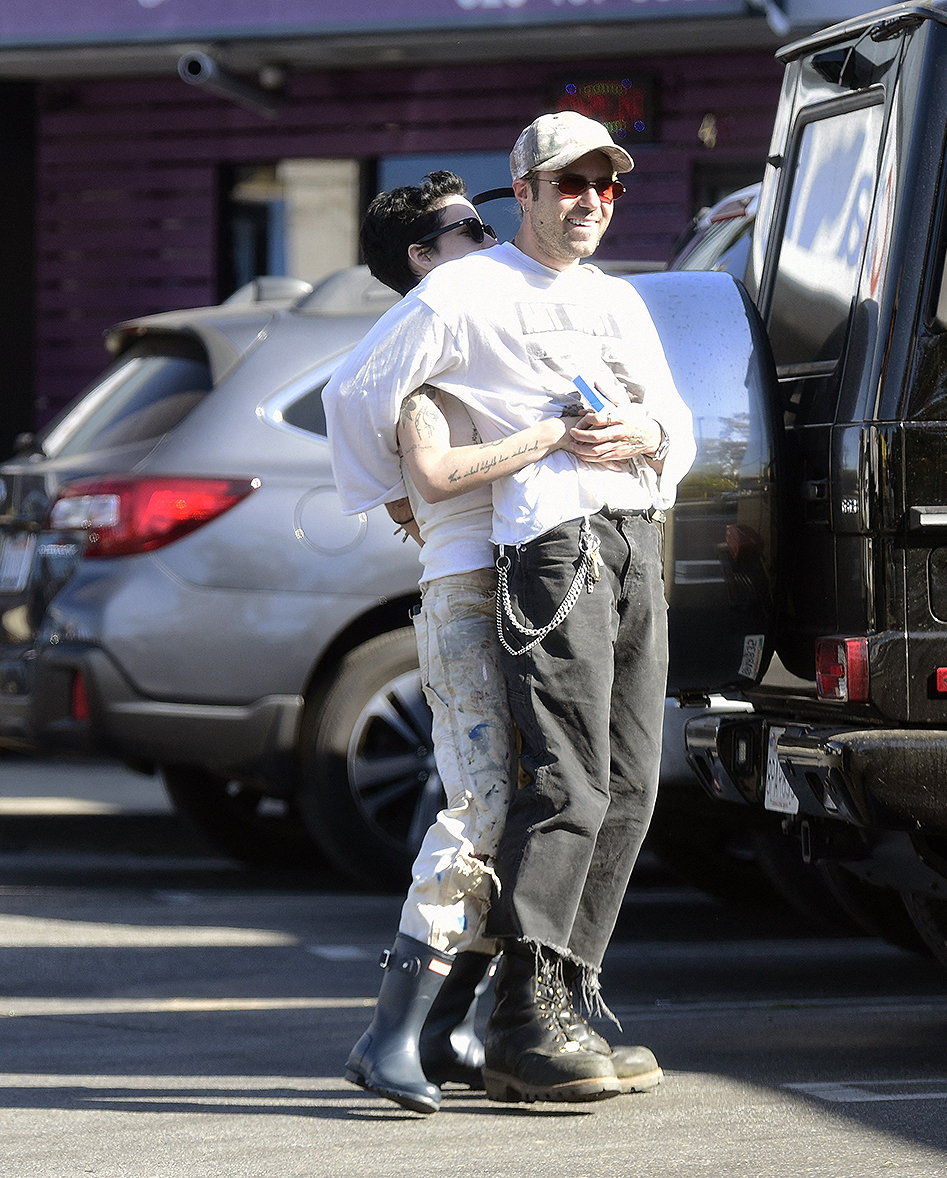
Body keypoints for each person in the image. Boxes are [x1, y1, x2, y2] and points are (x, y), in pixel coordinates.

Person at [327, 111, 695, 1106]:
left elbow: (678, 420)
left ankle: (537, 1005)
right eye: (566, 182)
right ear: (523, 189)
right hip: (530, 553)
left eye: (604, 184)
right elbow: (352, 395)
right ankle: (478, 1021)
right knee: (517, 793)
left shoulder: (614, 297)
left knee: (623, 783)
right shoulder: (458, 293)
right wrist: (403, 500)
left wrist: (647, 429)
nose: (588, 199)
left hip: (623, 536)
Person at [324, 170, 599, 1116]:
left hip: (513, 579)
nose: (487, 238)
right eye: (467, 228)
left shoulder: (476, 341)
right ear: (421, 257)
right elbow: (416, 455)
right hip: (469, 592)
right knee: (478, 802)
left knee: (519, 804)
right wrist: (545, 438)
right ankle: (388, 1035)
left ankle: (445, 1029)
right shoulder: (427, 356)